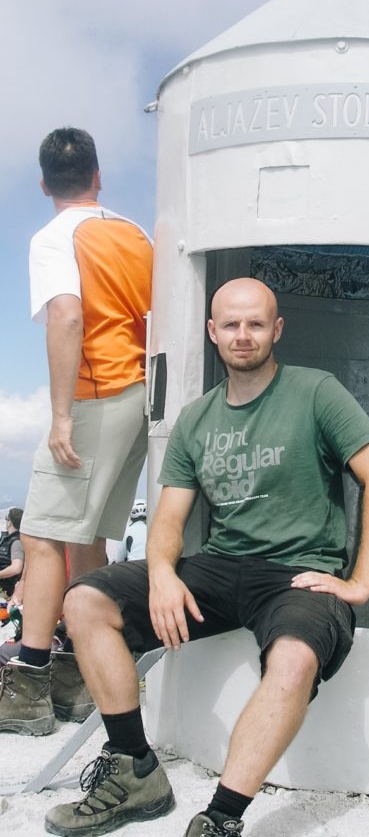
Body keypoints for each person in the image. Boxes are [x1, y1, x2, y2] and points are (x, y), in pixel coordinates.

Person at [44, 277, 369, 837]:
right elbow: (168, 521)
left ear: (276, 330)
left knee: (294, 658)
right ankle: (135, 768)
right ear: (212, 331)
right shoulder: (196, 418)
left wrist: (360, 583)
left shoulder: (316, 391)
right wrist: (162, 573)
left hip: (297, 573)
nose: (243, 335)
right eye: (231, 324)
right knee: (85, 600)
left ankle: (220, 818)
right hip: (220, 566)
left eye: (255, 324)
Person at [0, 127, 153, 737]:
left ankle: (28, 688)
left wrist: (61, 415)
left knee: (40, 537)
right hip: (140, 392)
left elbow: (66, 315)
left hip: (94, 393)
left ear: (43, 184)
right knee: (88, 541)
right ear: (98, 175)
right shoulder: (135, 233)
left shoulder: (54, 236)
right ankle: (80, 676)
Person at [0, 507, 25, 598]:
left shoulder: (16, 542)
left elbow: (16, 568)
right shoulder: (6, 539)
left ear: (10, 522)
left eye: (7, 519)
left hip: (4, 588)